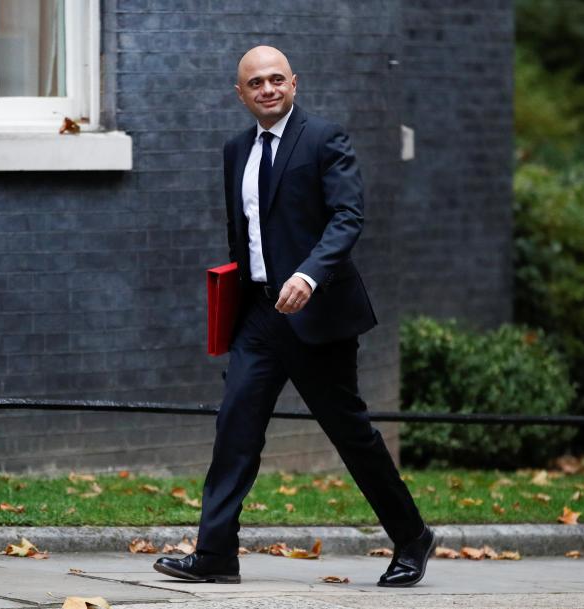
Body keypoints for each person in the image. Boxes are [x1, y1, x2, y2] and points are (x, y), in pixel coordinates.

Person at [154, 45, 435, 587]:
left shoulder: (325, 140)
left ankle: (411, 537)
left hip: (317, 316)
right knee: (235, 426)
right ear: (241, 93)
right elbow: (248, 233)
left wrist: (308, 275)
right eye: (255, 83)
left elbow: (347, 216)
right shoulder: (236, 150)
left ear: (294, 84)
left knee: (350, 433)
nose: (267, 89)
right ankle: (215, 554)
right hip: (258, 315)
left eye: (276, 80)